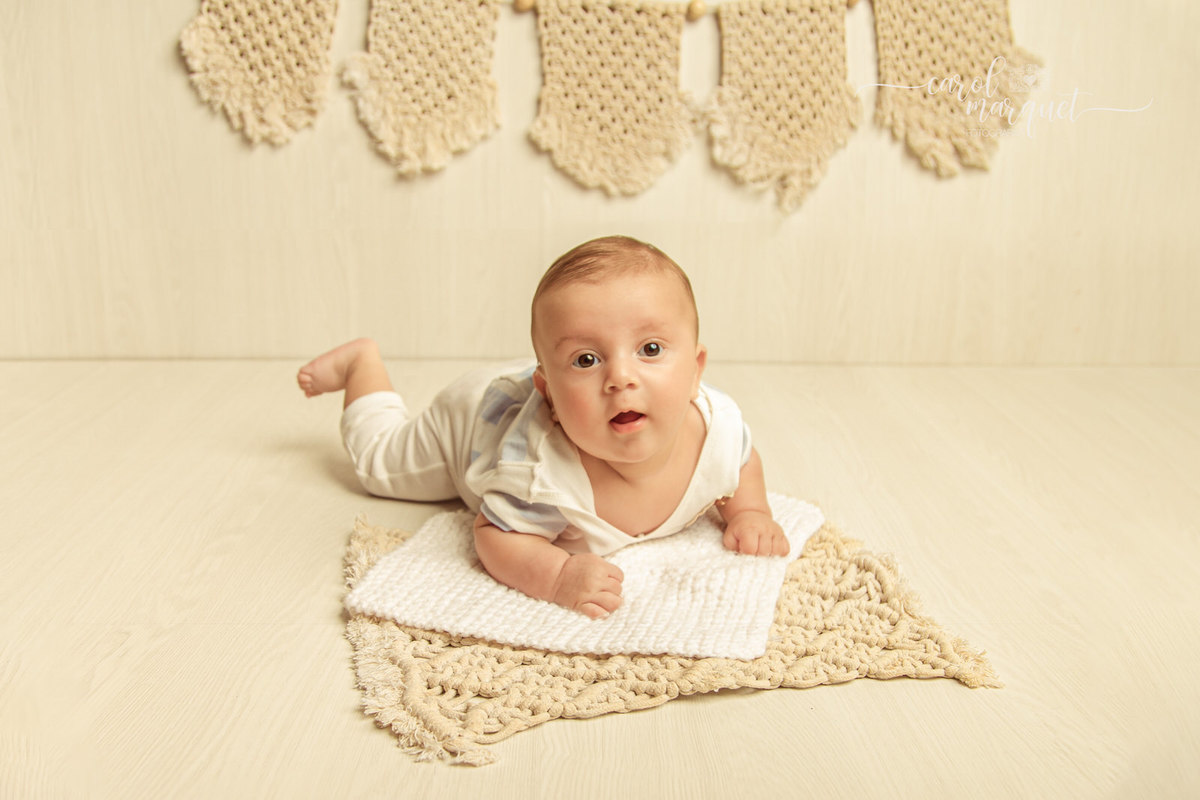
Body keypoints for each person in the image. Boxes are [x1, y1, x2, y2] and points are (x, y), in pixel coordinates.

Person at [298, 236, 788, 619]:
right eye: (587, 359)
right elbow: (495, 534)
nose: (621, 377)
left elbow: (742, 462)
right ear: (548, 393)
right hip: (471, 424)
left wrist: (749, 512)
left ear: (697, 369)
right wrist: (557, 576)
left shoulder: (716, 429)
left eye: (651, 349)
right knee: (380, 467)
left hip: (542, 382)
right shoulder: (538, 473)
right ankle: (362, 367)